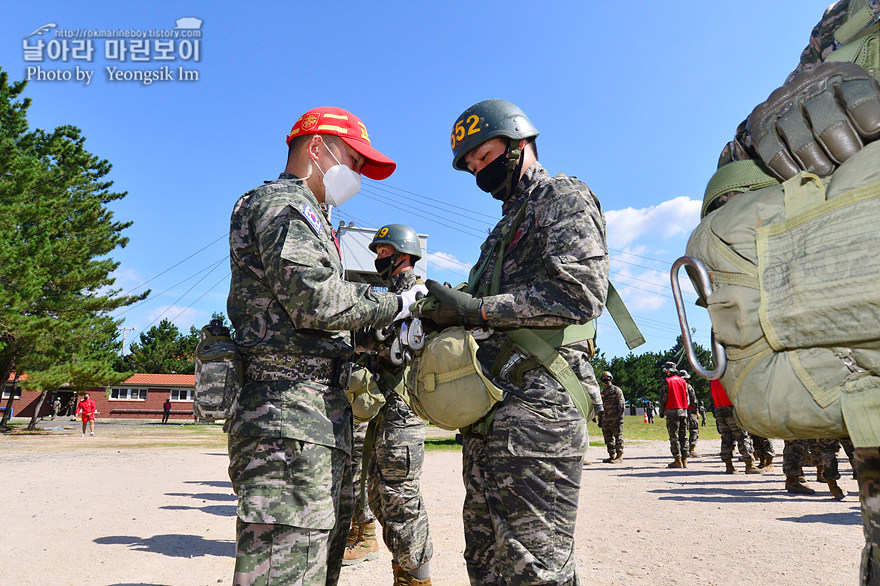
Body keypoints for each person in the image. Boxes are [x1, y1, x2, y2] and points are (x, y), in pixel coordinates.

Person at [224, 106, 426, 586]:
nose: (356, 175)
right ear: (317, 148)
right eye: (353, 161)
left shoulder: (314, 218)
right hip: (286, 419)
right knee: (285, 572)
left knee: (317, 565)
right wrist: (396, 304)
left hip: (315, 417)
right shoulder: (281, 206)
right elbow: (314, 300)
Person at [418, 99, 608, 585]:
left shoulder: (562, 197)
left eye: (484, 156)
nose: (479, 171)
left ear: (519, 140)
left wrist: (477, 309)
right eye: (471, 166)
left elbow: (580, 294)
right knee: (485, 562)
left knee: (535, 568)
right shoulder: (503, 226)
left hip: (540, 405)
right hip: (492, 410)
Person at [353, 224, 433, 585]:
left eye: (383, 252)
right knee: (378, 494)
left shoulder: (418, 295)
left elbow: (393, 345)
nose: (377, 258)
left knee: (402, 498)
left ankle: (418, 578)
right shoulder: (385, 296)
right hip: (382, 410)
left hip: (402, 410)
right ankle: (403, 571)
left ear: (403, 254)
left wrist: (367, 338)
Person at [710, 379, 761, 474]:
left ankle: (729, 466)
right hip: (732, 408)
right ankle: (749, 465)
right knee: (742, 436)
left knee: (726, 438)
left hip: (719, 409)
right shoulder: (732, 377)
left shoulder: (714, 379)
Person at [659, 362, 689, 468]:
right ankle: (685, 460)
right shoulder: (683, 381)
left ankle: (677, 460)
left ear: (668, 371)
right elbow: (687, 399)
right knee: (684, 436)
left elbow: (663, 399)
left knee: (674, 436)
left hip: (672, 411)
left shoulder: (666, 381)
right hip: (683, 411)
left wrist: (661, 412)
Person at [599, 371, 625, 463]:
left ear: (611, 378)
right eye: (604, 377)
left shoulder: (616, 390)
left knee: (618, 438)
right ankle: (612, 456)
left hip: (616, 419)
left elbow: (621, 404)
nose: (606, 379)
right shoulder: (602, 392)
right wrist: (600, 419)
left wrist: (620, 417)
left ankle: (619, 456)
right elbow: (600, 407)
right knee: (608, 439)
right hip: (605, 420)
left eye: (607, 377)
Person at [681, 370, 701, 458]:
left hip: (680, 410)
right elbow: (693, 399)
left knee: (682, 430)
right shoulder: (688, 386)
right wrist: (697, 411)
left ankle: (683, 449)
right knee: (694, 430)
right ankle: (691, 449)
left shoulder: (675, 386)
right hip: (690, 411)